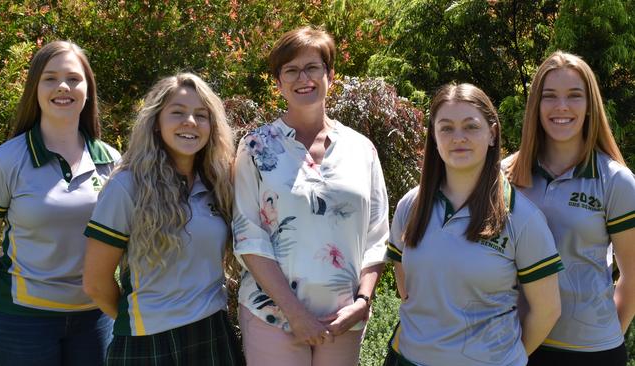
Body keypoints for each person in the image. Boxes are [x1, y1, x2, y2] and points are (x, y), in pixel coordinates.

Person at [232, 26, 389, 365]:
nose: (303, 77)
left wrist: (362, 301)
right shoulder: (255, 148)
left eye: (312, 67)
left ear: (330, 74)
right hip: (272, 315)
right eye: (291, 70)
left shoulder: (362, 150)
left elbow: (377, 235)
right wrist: (295, 314)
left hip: (343, 318)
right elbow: (248, 236)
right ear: (278, 82)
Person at [385, 83, 564, 366]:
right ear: (433, 136)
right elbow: (406, 288)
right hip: (408, 359)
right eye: (446, 128)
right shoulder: (411, 206)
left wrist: (503, 357)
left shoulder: (522, 217)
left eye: (471, 126)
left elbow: (547, 310)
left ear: (492, 134)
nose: (458, 137)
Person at [82, 73, 244, 366]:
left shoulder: (219, 183)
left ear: (213, 126)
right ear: (156, 123)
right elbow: (95, 283)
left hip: (212, 332)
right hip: (148, 341)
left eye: (201, 115)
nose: (190, 122)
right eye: (178, 113)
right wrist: (140, 317)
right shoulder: (126, 186)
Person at [0, 40, 119, 366]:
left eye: (74, 78)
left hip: (95, 318)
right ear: (35, 88)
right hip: (22, 322)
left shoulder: (113, 162)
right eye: (50, 78)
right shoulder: (3, 162)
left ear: (88, 89)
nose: (63, 86)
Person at [504, 51, 635, 365]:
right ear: (536, 105)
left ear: (590, 106)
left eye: (574, 96)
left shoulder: (616, 181)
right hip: (514, 345)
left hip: (590, 352)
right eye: (550, 96)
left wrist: (607, 333)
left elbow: (633, 274)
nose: (561, 107)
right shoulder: (504, 175)